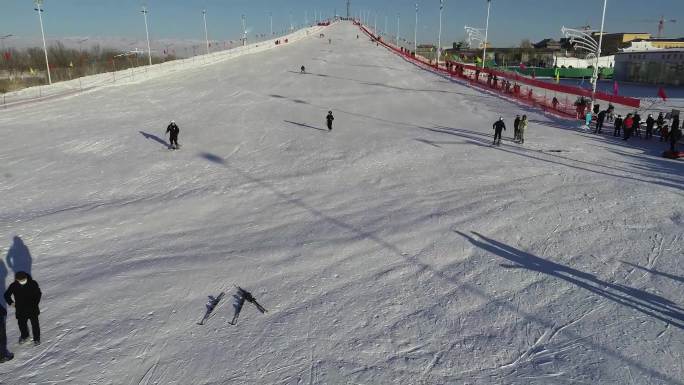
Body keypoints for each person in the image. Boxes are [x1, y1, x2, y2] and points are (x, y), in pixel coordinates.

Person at [4, 272, 41, 346]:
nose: (22, 281)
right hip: (20, 309)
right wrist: (11, 303)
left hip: (32, 308)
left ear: (26, 278)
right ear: (17, 280)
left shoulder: (33, 283)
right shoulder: (14, 285)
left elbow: (38, 294)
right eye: (20, 280)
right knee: (21, 324)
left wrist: (35, 303)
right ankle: (25, 336)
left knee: (35, 324)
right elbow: (6, 295)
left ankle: (37, 339)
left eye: (23, 279)